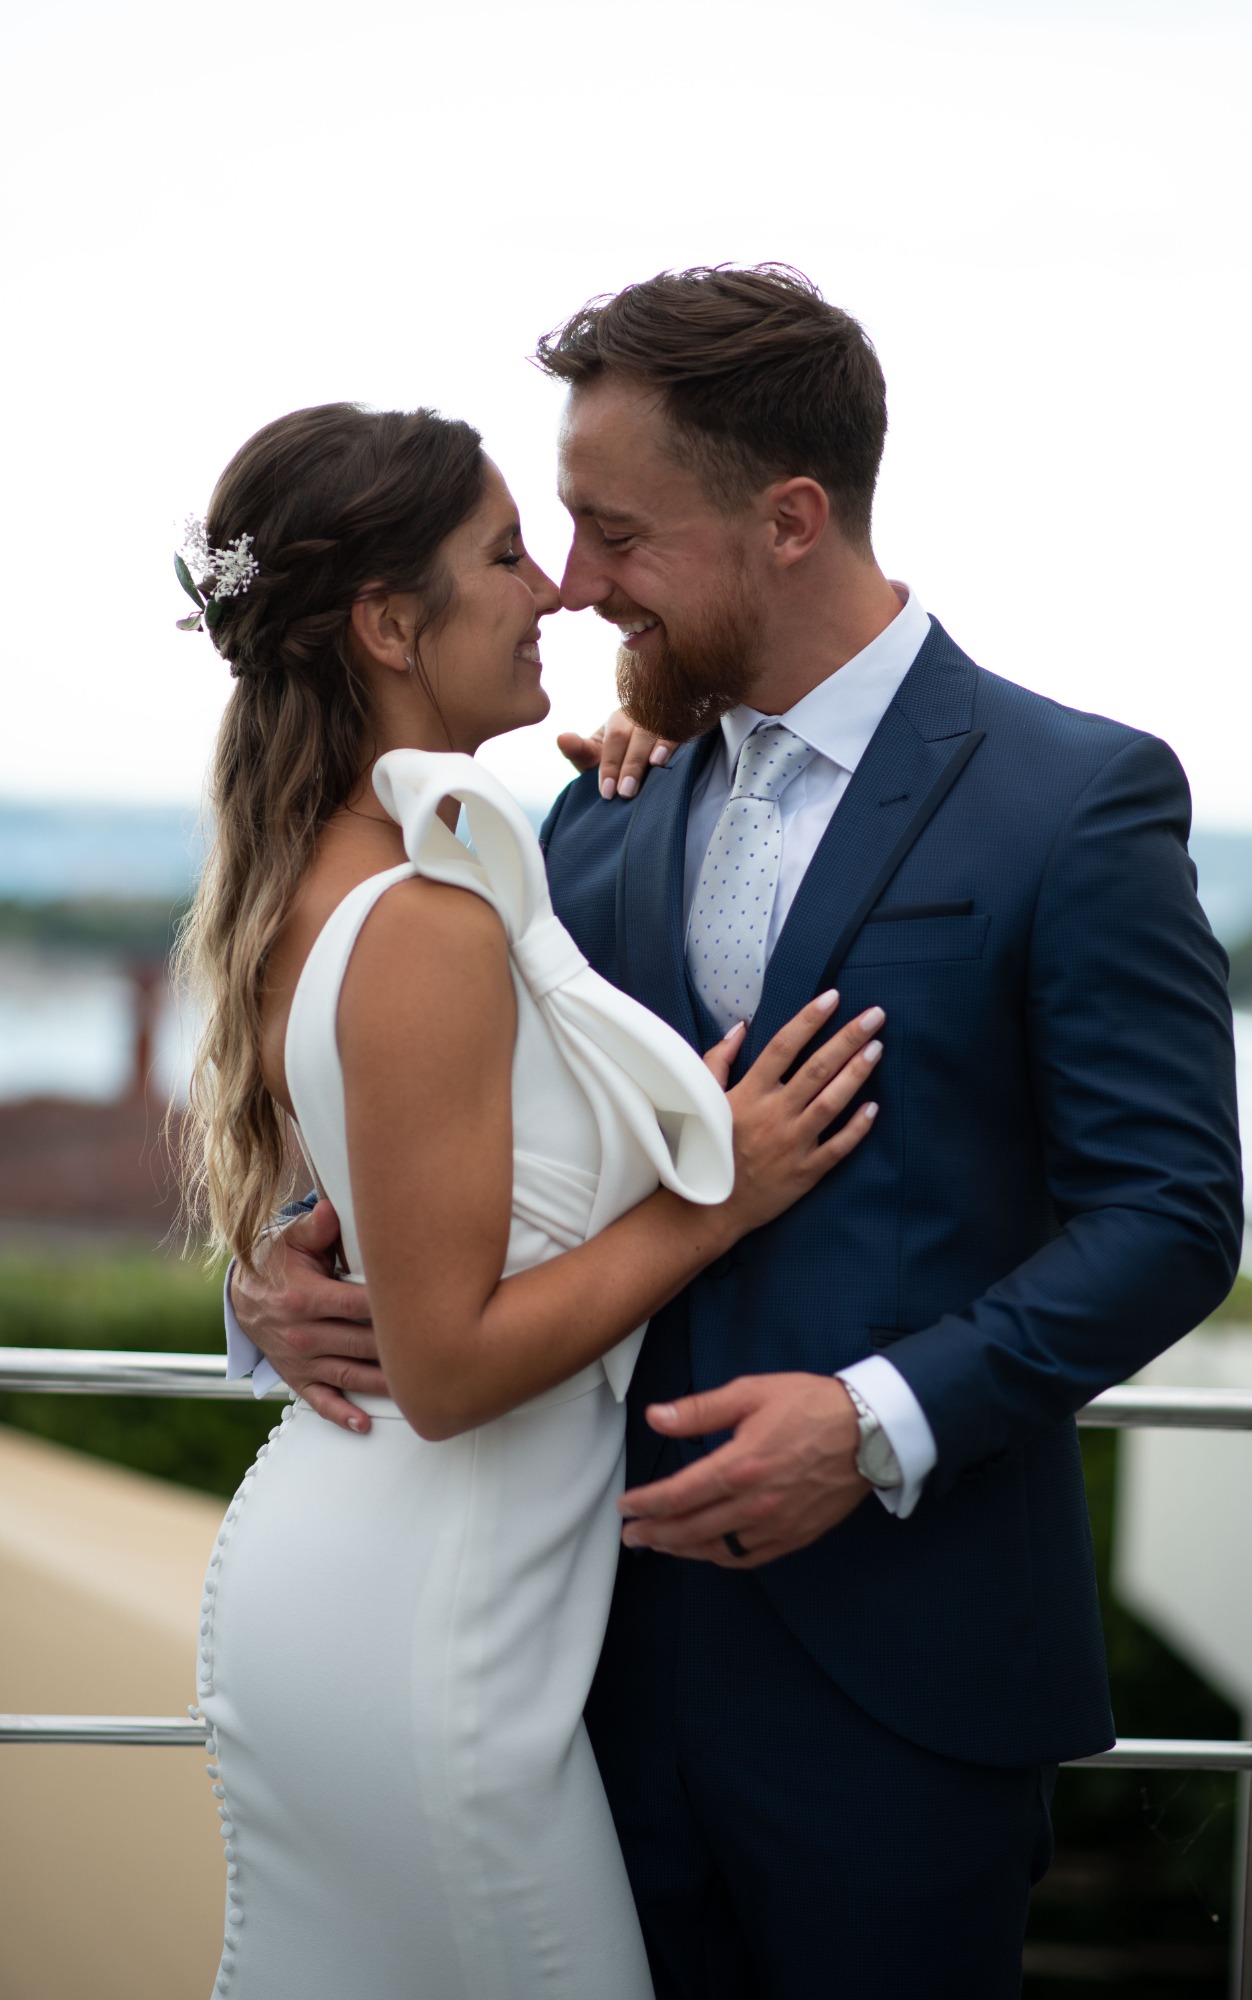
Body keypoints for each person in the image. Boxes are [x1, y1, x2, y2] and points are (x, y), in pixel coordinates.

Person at [230, 270, 1244, 1997]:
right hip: (575, 1680)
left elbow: (1170, 1216)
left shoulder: (1076, 799)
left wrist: (874, 1422)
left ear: (789, 519)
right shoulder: (592, 817)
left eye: (617, 533)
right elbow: (456, 1147)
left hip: (906, 1683)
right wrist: (281, 1284)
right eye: (557, 531)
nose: (573, 582)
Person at [180, 399, 884, 2000]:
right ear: (387, 624)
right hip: (433, 1637)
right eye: (506, 555)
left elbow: (390, 1199)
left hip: (380, 1591)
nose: (553, 590)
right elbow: (445, 1369)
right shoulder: (424, 918)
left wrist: (649, 769)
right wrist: (718, 1195)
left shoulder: (356, 872)